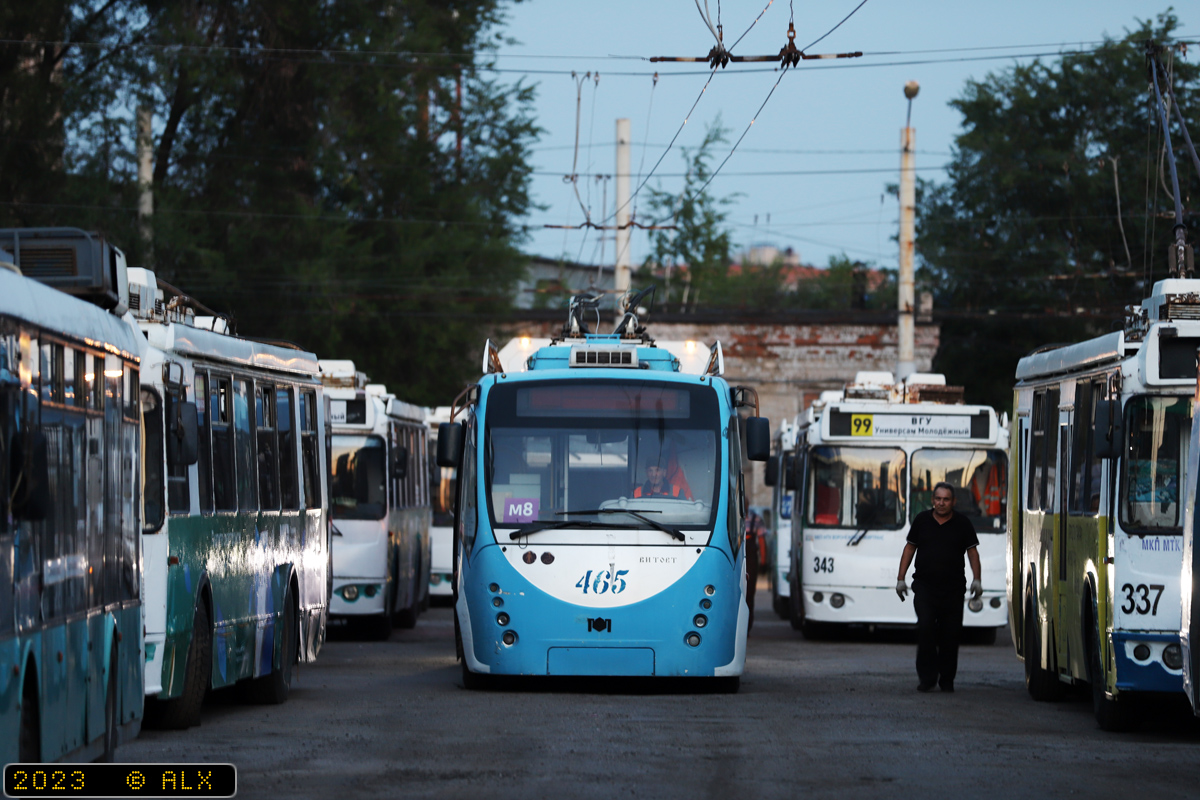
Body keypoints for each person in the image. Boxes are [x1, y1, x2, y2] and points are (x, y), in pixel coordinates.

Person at [895, 481, 982, 693]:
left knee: (950, 635)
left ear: (953, 502)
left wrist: (977, 580)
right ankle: (927, 678)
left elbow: (972, 553)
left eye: (946, 499)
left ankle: (947, 679)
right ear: (932, 500)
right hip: (925, 588)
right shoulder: (922, 521)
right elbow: (909, 549)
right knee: (925, 629)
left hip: (953, 590)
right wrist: (900, 579)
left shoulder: (963, 523)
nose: (941, 503)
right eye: (938, 499)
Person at [744, 510, 764, 631]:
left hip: (751, 560)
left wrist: (763, 561)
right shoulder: (730, 515)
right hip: (739, 557)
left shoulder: (756, 519)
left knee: (750, 594)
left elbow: (761, 541)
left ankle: (748, 626)